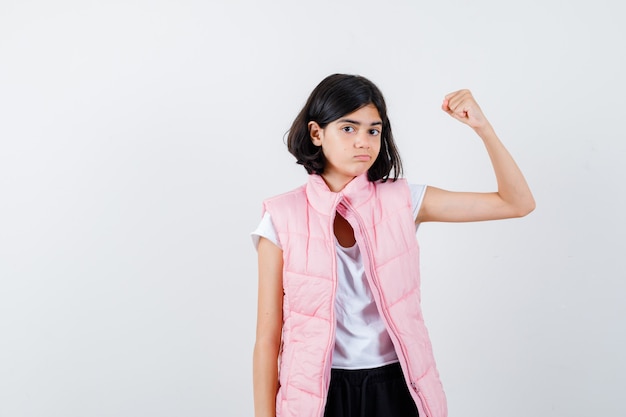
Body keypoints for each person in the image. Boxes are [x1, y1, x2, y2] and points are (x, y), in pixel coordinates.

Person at [251, 74, 535, 417]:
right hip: (317, 394)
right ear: (316, 133)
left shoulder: (403, 200)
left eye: (373, 130)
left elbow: (516, 203)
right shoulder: (282, 217)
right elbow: (268, 339)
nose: (364, 141)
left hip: (397, 386)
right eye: (348, 128)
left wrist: (483, 129)